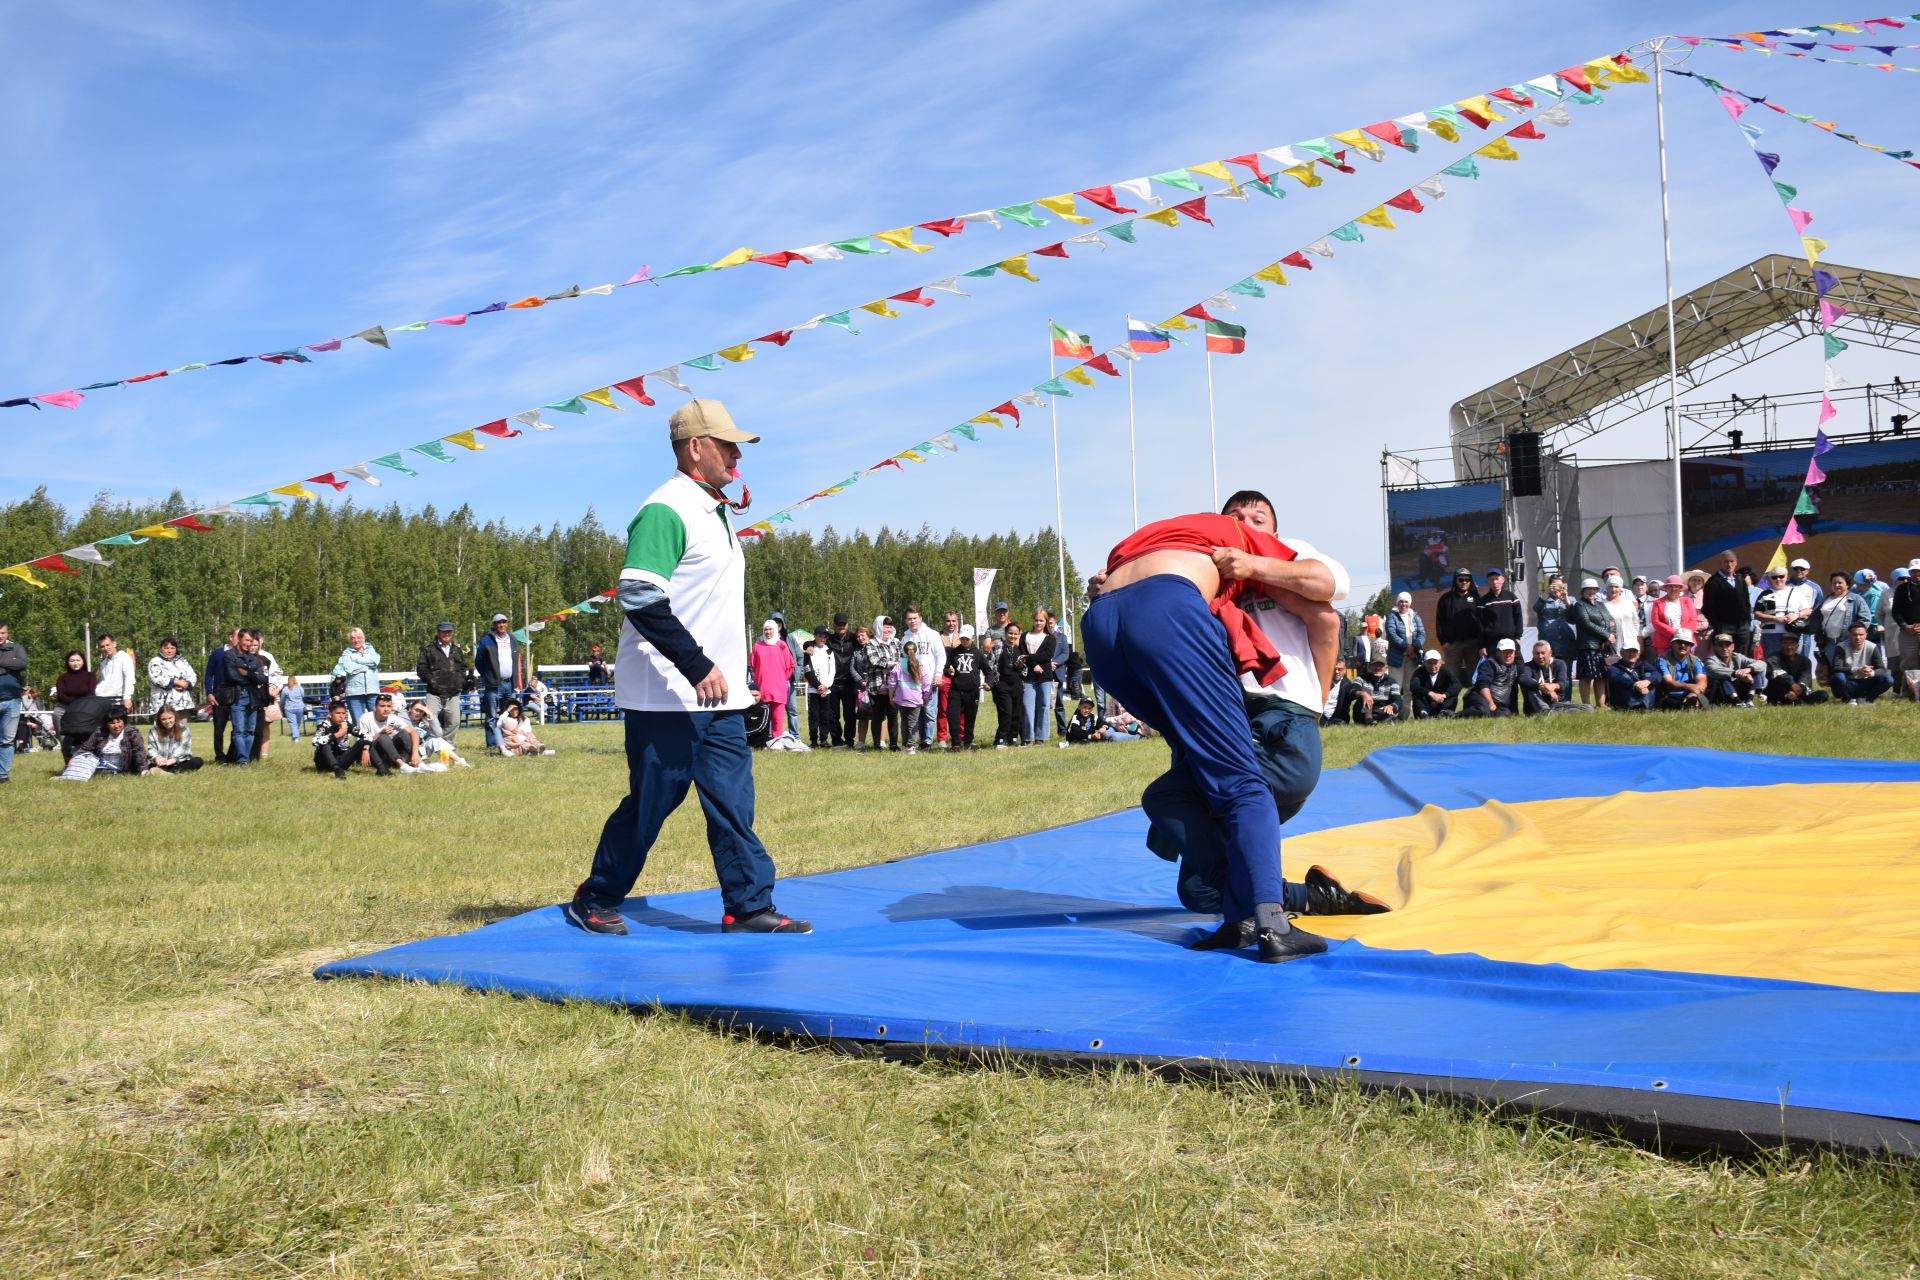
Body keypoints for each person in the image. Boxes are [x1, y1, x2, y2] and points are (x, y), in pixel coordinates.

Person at [569, 398, 810, 937]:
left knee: (732, 801)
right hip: (665, 692)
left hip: (722, 695)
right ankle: (597, 895)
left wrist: (723, 674)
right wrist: (697, 664)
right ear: (695, 448)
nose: (736, 456)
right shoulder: (666, 509)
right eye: (727, 445)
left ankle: (747, 906)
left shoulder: (715, 508)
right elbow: (638, 594)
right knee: (656, 801)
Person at [1082, 505, 1337, 963]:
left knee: (1191, 772)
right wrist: (1256, 561)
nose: (1248, 519)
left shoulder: (1150, 535)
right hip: (1165, 609)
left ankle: (1236, 912)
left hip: (1101, 626)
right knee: (1242, 782)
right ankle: (1272, 924)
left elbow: (1110, 582)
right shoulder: (1234, 535)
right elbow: (1324, 586)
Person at [1127, 491, 1375, 948]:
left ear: (1274, 531)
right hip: (1222, 717)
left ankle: (1265, 910)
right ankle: (1310, 896)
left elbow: (1327, 602)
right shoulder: (1200, 567)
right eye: (1234, 518)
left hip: (1278, 707)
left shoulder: (1285, 553)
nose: (1245, 523)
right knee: (1198, 887)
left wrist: (1253, 566)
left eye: (1257, 517)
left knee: (1284, 777)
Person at [474, 613, 524, 752]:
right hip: (493, 685)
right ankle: (492, 745)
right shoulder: (486, 640)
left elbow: (515, 662)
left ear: (507, 623)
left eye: (503, 622)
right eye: (498, 623)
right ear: (494, 625)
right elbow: (478, 661)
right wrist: (488, 675)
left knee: (509, 714)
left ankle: (507, 741)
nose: (501, 625)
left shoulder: (512, 640)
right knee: (491, 716)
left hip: (510, 684)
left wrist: (516, 682)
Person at [897, 606, 945, 750]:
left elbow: (940, 655)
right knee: (913, 715)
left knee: (929, 713)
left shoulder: (932, 634)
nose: (912, 621)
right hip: (911, 685)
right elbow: (902, 660)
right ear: (906, 620)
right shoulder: (905, 638)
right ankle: (913, 742)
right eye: (909, 619)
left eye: (915, 618)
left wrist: (938, 675)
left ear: (920, 618)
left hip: (929, 681)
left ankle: (927, 742)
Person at [57, 707, 152, 779]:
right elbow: (87, 747)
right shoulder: (100, 732)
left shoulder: (132, 732)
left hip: (120, 766)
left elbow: (139, 751)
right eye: (112, 723)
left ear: (124, 721)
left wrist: (143, 770)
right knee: (82, 762)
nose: (116, 726)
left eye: (119, 722)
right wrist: (74, 757)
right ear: (106, 724)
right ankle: (67, 775)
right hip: (99, 762)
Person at [413, 622, 468, 745]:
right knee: (430, 721)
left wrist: (460, 682)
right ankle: (429, 745)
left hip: (453, 693)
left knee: (454, 722)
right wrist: (432, 681)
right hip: (434, 693)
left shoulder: (457, 650)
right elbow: (421, 668)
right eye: (444, 631)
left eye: (449, 631)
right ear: (438, 632)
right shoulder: (428, 649)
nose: (447, 634)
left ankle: (447, 746)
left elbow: (462, 668)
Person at [222, 629, 271, 765]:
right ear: (239, 639)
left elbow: (262, 678)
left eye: (251, 641)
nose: (250, 644)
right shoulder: (229, 655)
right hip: (238, 696)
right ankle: (242, 759)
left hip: (253, 697)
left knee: (250, 730)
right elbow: (233, 677)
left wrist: (247, 674)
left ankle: (247, 759)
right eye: (247, 640)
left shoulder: (254, 658)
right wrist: (253, 677)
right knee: (239, 730)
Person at [1568, 578, 1613, 706]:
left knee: (1601, 676)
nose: (1591, 592)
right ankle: (1586, 705)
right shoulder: (1580, 605)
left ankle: (1601, 705)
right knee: (1586, 676)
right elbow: (1585, 623)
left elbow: (1610, 621)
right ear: (1582, 591)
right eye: (1588, 589)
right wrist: (1606, 635)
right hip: (1587, 646)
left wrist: (1611, 634)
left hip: (1603, 646)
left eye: (1594, 589)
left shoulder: (1601, 604)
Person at [1434, 568, 1483, 686]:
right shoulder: (1445, 599)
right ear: (1455, 581)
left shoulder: (1477, 598)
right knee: (1450, 679)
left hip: (1473, 645)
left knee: (1475, 679)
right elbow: (1439, 621)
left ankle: (1474, 704)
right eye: (1461, 580)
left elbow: (1483, 621)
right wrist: (1444, 642)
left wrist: (1481, 642)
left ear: (1470, 581)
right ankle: (1449, 704)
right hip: (1453, 645)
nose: (1464, 582)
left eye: (1467, 580)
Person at [749, 619, 796, 740]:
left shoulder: (782, 645)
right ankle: (763, 740)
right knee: (762, 715)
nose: (768, 632)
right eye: (765, 629)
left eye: (770, 629)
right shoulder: (757, 646)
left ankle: (777, 740)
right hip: (762, 687)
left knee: (777, 717)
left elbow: (789, 666)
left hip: (778, 687)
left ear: (775, 630)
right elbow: (753, 665)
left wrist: (780, 679)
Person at [1815, 572, 1870, 674]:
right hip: (1829, 641)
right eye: (1834, 583)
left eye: (1840, 582)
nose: (1836, 585)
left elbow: (1865, 619)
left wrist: (1855, 635)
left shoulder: (1856, 599)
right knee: (1834, 669)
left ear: (1847, 584)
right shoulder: (1826, 599)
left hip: (1847, 641)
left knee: (1849, 670)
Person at [1701, 549, 1754, 655]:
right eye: (1726, 561)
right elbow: (1707, 607)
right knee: (1724, 654)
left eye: (1731, 561)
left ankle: (1740, 672)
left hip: (1742, 626)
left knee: (1742, 656)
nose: (1729, 564)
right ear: (1721, 563)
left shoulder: (1740, 579)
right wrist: (1718, 625)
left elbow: (1746, 602)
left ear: (1736, 563)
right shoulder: (1713, 582)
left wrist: (1747, 621)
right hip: (1724, 626)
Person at [1828, 622, 1893, 704]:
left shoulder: (1872, 646)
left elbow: (1882, 669)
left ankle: (1868, 698)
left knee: (1888, 679)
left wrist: (1871, 672)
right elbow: (1836, 668)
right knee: (1838, 677)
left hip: (1866, 682)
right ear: (1849, 635)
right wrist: (1857, 670)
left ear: (1866, 635)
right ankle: (1847, 698)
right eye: (1854, 635)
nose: (1858, 637)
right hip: (1849, 682)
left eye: (1861, 635)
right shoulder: (1841, 647)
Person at [359, 691, 423, 774]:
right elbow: (361, 742)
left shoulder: (392, 718)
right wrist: (380, 733)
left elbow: (413, 732)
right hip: (374, 753)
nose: (386, 709)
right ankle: (402, 765)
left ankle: (416, 762)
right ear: (375, 707)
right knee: (383, 736)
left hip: (389, 753)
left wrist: (415, 753)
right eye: (382, 706)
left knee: (404, 733)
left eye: (389, 706)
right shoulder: (365, 718)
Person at [1019, 610, 1058, 745]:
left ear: (1046, 622)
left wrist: (1030, 658)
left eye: (1041, 620)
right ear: (1033, 621)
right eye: (1036, 620)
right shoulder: (1025, 636)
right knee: (1027, 705)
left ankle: (1040, 737)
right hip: (1028, 675)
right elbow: (1022, 653)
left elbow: (1048, 655)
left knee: (1043, 706)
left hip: (1045, 675)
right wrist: (1033, 665)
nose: (1039, 623)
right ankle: (1028, 737)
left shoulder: (1051, 638)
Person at [861, 618, 900, 751]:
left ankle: (894, 744)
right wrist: (890, 664)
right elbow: (873, 660)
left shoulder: (896, 642)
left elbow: (900, 659)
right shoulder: (871, 643)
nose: (888, 629)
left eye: (890, 627)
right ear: (878, 627)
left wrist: (888, 665)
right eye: (885, 627)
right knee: (877, 716)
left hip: (894, 687)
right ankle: (877, 745)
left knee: (893, 715)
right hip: (876, 686)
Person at [887, 643, 933, 754]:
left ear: (904, 651)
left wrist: (891, 697)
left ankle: (904, 746)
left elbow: (892, 683)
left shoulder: (898, 665)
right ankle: (911, 746)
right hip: (916, 699)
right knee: (913, 723)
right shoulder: (921, 665)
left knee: (904, 723)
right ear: (915, 651)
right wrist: (926, 698)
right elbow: (927, 684)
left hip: (901, 698)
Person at [332, 628, 383, 726]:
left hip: (373, 691)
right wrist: (366, 667)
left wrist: (356, 660)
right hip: (354, 693)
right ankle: (362, 741)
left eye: (358, 637)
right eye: (353, 638)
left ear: (363, 639)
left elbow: (375, 661)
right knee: (359, 723)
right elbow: (349, 668)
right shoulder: (346, 653)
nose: (356, 640)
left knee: (378, 720)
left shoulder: (371, 650)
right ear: (350, 640)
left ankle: (377, 740)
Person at [823, 613, 859, 748]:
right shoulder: (829, 640)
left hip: (849, 682)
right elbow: (815, 641)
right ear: (834, 625)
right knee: (833, 714)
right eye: (838, 624)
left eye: (843, 624)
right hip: (833, 683)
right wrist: (808, 645)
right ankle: (837, 740)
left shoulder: (853, 639)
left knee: (850, 714)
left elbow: (866, 639)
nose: (841, 627)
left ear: (847, 625)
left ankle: (849, 741)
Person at [1703, 632, 1768, 707]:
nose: (1724, 649)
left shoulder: (1738, 657)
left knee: (1756, 671)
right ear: (1714, 647)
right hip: (1722, 693)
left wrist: (1749, 669)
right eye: (1720, 646)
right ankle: (1738, 702)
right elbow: (1713, 670)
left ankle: (1749, 700)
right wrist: (1737, 674)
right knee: (1722, 677)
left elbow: (1762, 664)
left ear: (1733, 647)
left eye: (1727, 645)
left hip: (1739, 688)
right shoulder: (1710, 659)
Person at [944, 625, 983, 749]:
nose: (964, 641)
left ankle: (968, 742)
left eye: (967, 639)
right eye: (962, 639)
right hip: (956, 690)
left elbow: (987, 670)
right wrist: (948, 671)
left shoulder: (977, 653)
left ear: (973, 638)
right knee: (952, 716)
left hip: (972, 691)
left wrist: (989, 682)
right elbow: (946, 668)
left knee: (970, 718)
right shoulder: (954, 652)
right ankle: (955, 743)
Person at [1765, 632, 1830, 705]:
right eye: (1785, 643)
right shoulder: (1773, 658)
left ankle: (1797, 701)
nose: (1789, 647)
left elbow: (1805, 680)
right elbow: (1776, 673)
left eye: (1792, 644)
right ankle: (1794, 702)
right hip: (1780, 691)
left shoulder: (1805, 661)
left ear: (1797, 646)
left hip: (1798, 692)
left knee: (1823, 694)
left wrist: (1797, 691)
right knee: (1775, 681)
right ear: (1781, 645)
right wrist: (1791, 684)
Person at [1462, 638, 1522, 717]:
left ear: (1515, 653)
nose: (1508, 655)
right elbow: (1483, 685)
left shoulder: (1515, 667)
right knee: (1484, 711)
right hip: (1479, 697)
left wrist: (1514, 711)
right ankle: (1453, 715)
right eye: (1504, 652)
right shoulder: (1489, 664)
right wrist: (1491, 703)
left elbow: (1513, 692)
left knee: (1506, 714)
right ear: (1497, 653)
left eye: (1510, 652)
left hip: (1499, 703)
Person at [406, 699, 473, 767]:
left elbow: (438, 734)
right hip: (406, 749)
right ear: (410, 708)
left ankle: (459, 761)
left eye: (421, 711)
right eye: (416, 710)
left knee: (435, 740)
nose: (418, 713)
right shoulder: (404, 718)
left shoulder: (424, 721)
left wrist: (430, 715)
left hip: (421, 750)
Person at [988, 622, 1024, 748]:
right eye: (1010, 633)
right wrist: (992, 682)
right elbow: (990, 666)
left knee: (1016, 713)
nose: (1012, 636)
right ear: (1005, 633)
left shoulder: (1021, 649)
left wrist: (1021, 666)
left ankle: (1012, 738)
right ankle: (1000, 739)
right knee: (1006, 713)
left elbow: (1025, 670)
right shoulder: (997, 647)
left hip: (1017, 685)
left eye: (1015, 634)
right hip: (1002, 685)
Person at [204, 629, 238, 762]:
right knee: (219, 729)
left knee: (237, 728)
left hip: (236, 694)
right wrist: (209, 693)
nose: (240, 639)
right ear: (230, 637)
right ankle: (219, 756)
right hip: (219, 695)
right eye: (238, 636)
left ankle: (232, 755)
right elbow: (208, 674)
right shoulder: (217, 653)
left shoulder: (241, 654)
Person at [1647, 575, 1702, 656]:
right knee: (1666, 667)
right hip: (1664, 643)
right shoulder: (1657, 603)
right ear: (1666, 588)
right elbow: (1656, 622)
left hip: (1685, 641)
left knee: (1687, 667)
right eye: (1670, 586)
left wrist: (1681, 634)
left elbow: (1693, 620)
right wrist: (1673, 632)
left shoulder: (1687, 601)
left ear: (1680, 589)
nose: (1673, 589)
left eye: (1676, 587)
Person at [1476, 567, 1524, 660]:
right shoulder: (1483, 602)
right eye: (1491, 580)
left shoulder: (1512, 597)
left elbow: (1518, 617)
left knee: (1518, 668)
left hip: (1511, 640)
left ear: (1503, 579)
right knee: (1493, 669)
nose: (1494, 582)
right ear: (1488, 582)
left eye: (1497, 579)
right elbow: (1480, 625)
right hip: (1491, 643)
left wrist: (1518, 637)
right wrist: (1482, 645)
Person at [1383, 591, 1426, 694]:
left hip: (1412, 658)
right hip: (1396, 658)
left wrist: (1414, 647)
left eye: (1406, 601)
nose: (1404, 604)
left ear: (1410, 603)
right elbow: (1392, 634)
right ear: (1397, 603)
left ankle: (1406, 710)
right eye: (1401, 601)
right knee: (1395, 687)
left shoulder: (1415, 617)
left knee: (1410, 688)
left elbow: (1422, 634)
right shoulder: (1392, 616)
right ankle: (1393, 709)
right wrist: (1407, 647)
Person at [1653, 629, 1708, 710]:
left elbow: (1702, 682)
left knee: (1695, 698)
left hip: (1691, 693)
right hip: (1669, 694)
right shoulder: (1662, 659)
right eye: (1679, 642)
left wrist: (1694, 693)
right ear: (1672, 644)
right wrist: (1688, 686)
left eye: (1687, 643)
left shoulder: (1696, 660)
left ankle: (1692, 702)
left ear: (1690, 646)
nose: (1683, 645)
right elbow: (1668, 683)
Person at [52, 650, 95, 750]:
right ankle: (65, 747)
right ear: (67, 662)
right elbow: (61, 695)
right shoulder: (62, 678)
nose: (75, 663)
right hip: (65, 706)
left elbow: (91, 693)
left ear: (83, 661)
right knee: (57, 714)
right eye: (72, 661)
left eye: (78, 660)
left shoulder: (90, 676)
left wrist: (79, 705)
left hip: (84, 707)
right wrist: (74, 702)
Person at [805, 626, 839, 749]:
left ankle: (824, 740)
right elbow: (807, 670)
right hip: (813, 689)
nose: (822, 638)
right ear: (815, 636)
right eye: (820, 636)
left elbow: (832, 671)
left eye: (825, 636)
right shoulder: (809, 650)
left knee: (825, 716)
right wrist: (818, 686)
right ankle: (813, 741)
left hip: (826, 689)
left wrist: (825, 686)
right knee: (814, 716)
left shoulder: (829, 652)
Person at [311, 700, 365, 778]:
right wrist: (338, 734)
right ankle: (337, 770)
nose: (341, 716)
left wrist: (366, 749)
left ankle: (381, 768)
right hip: (324, 763)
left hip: (342, 760)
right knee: (324, 744)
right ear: (330, 715)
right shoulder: (323, 726)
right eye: (337, 713)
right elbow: (315, 741)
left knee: (363, 741)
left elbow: (366, 735)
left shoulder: (346, 724)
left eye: (343, 713)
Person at [146, 637, 196, 717]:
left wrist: (186, 684)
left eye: (172, 648)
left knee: (181, 728)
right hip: (162, 703)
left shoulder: (182, 661)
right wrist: (175, 682)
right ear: (161, 648)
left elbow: (192, 675)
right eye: (166, 648)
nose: (169, 650)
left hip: (182, 703)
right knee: (163, 728)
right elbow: (156, 678)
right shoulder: (155, 661)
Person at [147, 704, 204, 773]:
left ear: (175, 717)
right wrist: (157, 758)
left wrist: (171, 760)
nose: (167, 722)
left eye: (170, 718)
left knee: (197, 761)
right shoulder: (153, 731)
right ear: (159, 720)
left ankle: (167, 773)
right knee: (146, 766)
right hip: (161, 763)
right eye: (163, 719)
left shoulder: (184, 729)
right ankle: (170, 772)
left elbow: (184, 749)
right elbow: (151, 748)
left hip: (178, 762)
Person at [0, 623, 23, 785]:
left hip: (12, 700)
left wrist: (1, 663)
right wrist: (9, 663)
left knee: (7, 741)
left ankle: (3, 775)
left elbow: (22, 663)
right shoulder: (10, 654)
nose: (0, 636)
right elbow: (14, 664)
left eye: (3, 633)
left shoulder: (16, 648)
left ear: (7, 633)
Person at [1894, 559, 1920, 699]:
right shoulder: (1902, 589)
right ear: (1909, 572)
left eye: (1919, 571)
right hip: (1907, 631)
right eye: (1914, 571)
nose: (1916, 573)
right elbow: (1896, 611)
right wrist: (1905, 626)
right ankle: (1907, 693)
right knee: (1908, 662)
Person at [1605, 640, 1656, 711]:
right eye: (1628, 651)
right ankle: (1635, 706)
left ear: (1638, 654)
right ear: (1621, 653)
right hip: (1624, 702)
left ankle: (1645, 706)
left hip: (1643, 696)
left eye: (1634, 651)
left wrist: (1647, 681)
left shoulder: (1644, 664)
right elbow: (1614, 677)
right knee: (1625, 676)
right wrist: (1634, 684)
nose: (1631, 654)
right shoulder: (1615, 668)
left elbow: (1657, 674)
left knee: (1649, 675)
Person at [1409, 649, 1459, 718]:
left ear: (1440, 663)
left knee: (1453, 695)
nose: (1432, 666)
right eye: (1429, 663)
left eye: (1435, 663)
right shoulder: (1419, 672)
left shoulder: (1446, 671)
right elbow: (1413, 686)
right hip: (1426, 703)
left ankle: (1444, 713)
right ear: (1424, 663)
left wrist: (1444, 696)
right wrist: (1430, 694)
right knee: (1417, 694)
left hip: (1442, 701)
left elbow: (1457, 685)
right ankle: (1423, 713)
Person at [1352, 656, 1401, 725]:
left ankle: (1380, 721)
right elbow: (1352, 691)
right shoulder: (1361, 678)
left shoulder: (1392, 682)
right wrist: (1363, 694)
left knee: (1389, 710)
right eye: (1375, 665)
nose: (1377, 668)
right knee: (1363, 699)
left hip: (1381, 709)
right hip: (1363, 711)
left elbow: (1398, 700)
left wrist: (1392, 706)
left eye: (1380, 665)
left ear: (1386, 668)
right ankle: (1370, 720)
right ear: (1370, 666)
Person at [94, 634, 136, 714]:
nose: (106, 648)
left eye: (107, 645)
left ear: (114, 644)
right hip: (105, 700)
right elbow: (104, 682)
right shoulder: (103, 663)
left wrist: (127, 697)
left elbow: (129, 678)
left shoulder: (125, 658)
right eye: (102, 646)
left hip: (119, 701)